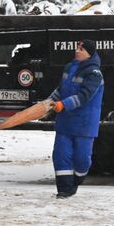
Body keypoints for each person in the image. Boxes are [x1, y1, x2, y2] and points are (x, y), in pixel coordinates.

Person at [46, 40, 105, 197]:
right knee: (60, 155)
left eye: (81, 49)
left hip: (84, 124)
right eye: (77, 48)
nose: (77, 51)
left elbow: (84, 96)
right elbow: (61, 90)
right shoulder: (69, 68)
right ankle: (64, 189)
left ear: (89, 54)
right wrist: (48, 103)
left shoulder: (94, 74)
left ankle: (77, 180)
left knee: (81, 159)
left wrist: (62, 105)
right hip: (65, 122)